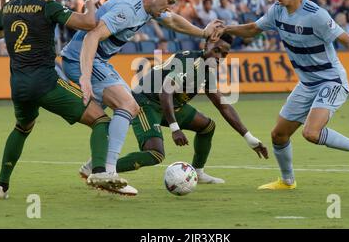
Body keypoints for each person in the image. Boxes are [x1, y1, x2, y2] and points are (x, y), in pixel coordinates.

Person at [220, 0, 349, 190]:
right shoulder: (276, 11)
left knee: (311, 132)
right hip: (307, 84)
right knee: (278, 135)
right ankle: (288, 181)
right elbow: (252, 29)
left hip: (331, 81)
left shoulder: (316, 16)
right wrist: (225, 28)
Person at [61, 0, 222, 195]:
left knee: (116, 114)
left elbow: (173, 20)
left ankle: (95, 166)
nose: (169, 8)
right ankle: (107, 173)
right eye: (169, 2)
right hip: (82, 60)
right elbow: (92, 36)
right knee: (128, 105)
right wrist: (85, 77)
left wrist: (203, 32)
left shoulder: (145, 5)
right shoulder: (129, 10)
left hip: (96, 61)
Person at [0, 0, 126, 200]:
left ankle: (1, 186)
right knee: (100, 119)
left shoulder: (7, 8)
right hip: (46, 83)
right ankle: (100, 172)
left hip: (18, 85)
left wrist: (13, 28)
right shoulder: (47, 7)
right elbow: (89, 22)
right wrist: (90, 4)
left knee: (22, 127)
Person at [79, 34, 268, 183]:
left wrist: (248, 137)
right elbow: (165, 93)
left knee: (207, 126)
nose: (219, 57)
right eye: (216, 50)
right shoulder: (187, 63)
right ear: (206, 45)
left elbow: (223, 106)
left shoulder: (207, 70)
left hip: (171, 105)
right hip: (146, 102)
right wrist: (175, 128)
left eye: (224, 55)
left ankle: (198, 172)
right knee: (155, 154)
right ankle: (99, 167)